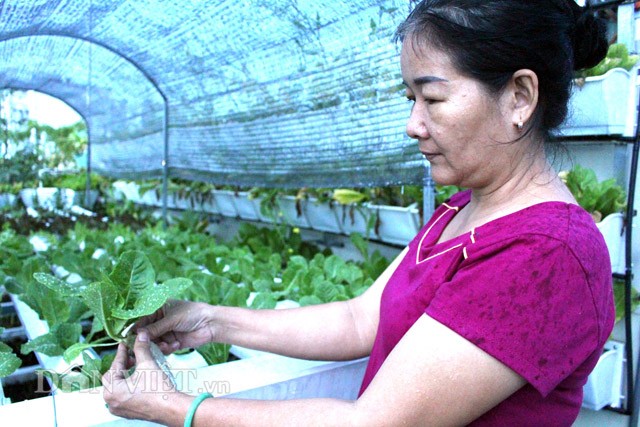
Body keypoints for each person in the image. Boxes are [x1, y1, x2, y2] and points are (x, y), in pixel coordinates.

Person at [102, 1, 615, 425]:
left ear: (520, 96)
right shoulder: (465, 208)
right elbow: (359, 319)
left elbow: (374, 422)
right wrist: (211, 320)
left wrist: (177, 407)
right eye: (409, 96)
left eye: (432, 97)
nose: (413, 123)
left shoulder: (546, 254)